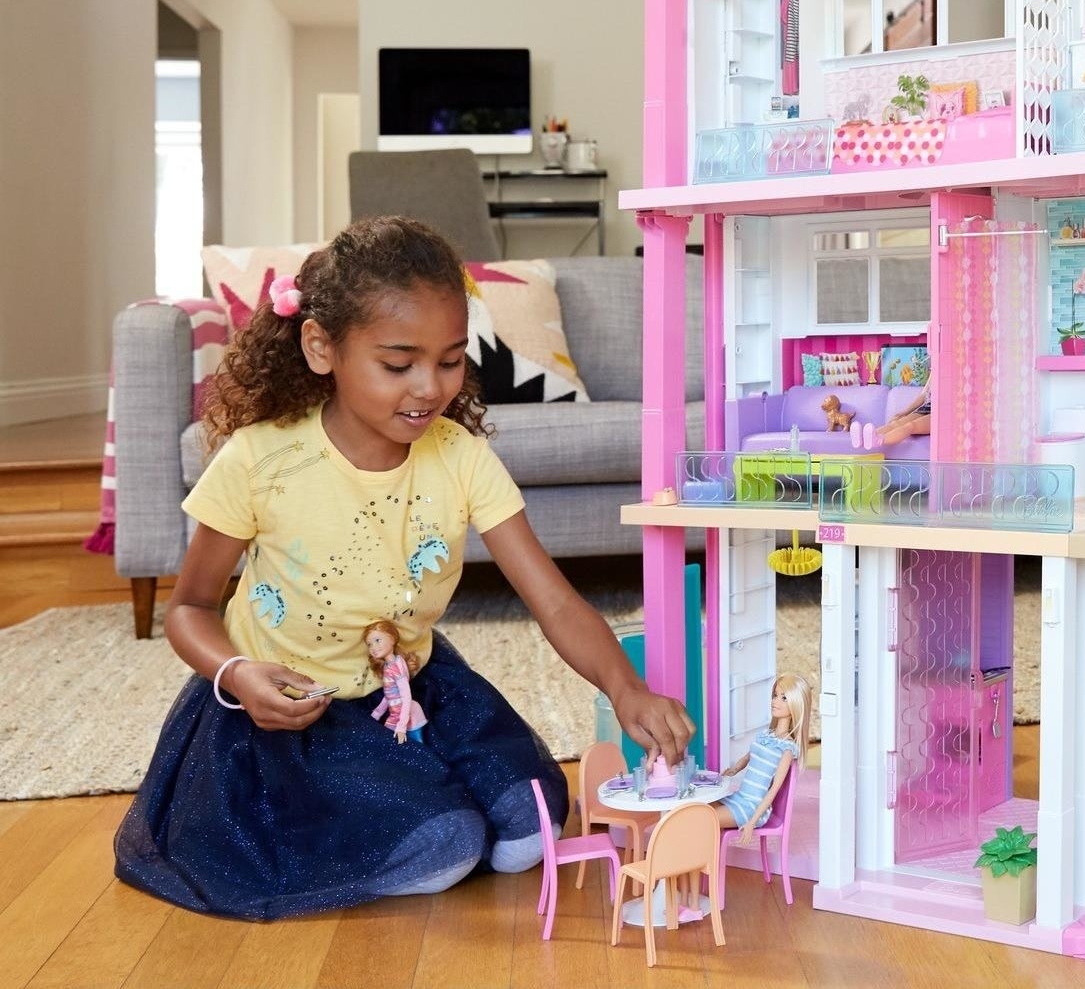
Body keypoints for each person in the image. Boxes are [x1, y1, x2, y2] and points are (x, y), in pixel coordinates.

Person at [113, 216, 695, 921]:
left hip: (410, 689)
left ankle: (423, 801)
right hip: (292, 718)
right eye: (398, 365)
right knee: (448, 845)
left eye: (450, 361)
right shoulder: (259, 461)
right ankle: (407, 822)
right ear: (321, 347)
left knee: (533, 817)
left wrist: (626, 689)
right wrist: (236, 674)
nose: (429, 388)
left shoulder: (461, 457)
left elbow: (555, 601)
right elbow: (189, 608)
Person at [715, 674, 812, 843]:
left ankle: (700, 859)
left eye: (784, 698)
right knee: (698, 810)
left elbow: (774, 789)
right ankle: (700, 858)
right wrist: (733, 770)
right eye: (775, 695)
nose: (775, 701)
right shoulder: (766, 735)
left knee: (704, 818)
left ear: (797, 704)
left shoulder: (787, 748)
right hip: (739, 798)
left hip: (752, 807)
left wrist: (752, 822)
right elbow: (748, 757)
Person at [851, 381, 931, 450]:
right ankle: (864, 439)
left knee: (911, 426)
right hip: (927, 407)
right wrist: (905, 412)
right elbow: (924, 395)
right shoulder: (934, 372)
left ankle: (878, 440)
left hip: (938, 414)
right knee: (896, 423)